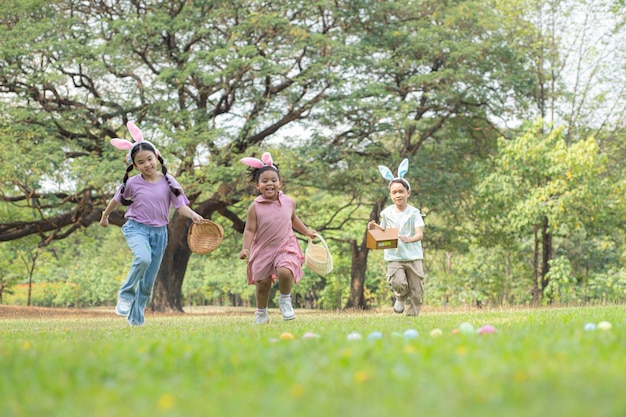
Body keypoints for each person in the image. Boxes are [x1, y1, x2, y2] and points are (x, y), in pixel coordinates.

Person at [100, 122, 203, 326]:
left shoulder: (169, 181)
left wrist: (193, 215)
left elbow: (180, 206)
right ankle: (125, 295)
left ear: (156, 157)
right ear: (135, 165)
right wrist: (105, 215)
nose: (147, 164)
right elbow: (116, 200)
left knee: (148, 283)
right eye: (141, 162)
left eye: (149, 159)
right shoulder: (132, 183)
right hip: (136, 228)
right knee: (143, 258)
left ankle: (136, 321)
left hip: (159, 234)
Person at [239, 152, 316, 324]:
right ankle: (261, 313)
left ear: (280, 183)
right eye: (264, 181)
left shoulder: (289, 202)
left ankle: (285, 300)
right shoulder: (255, 207)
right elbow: (249, 230)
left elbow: (293, 218)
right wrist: (246, 248)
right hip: (263, 249)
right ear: (258, 185)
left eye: (273, 180)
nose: (269, 184)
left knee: (285, 270)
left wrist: (307, 232)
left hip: (285, 245)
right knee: (263, 284)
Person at [369, 158, 425, 317]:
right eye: (394, 192)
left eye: (401, 191)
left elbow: (419, 233)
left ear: (408, 193)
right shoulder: (386, 213)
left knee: (417, 291)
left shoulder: (414, 213)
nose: (398, 195)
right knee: (397, 281)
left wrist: (411, 239)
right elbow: (384, 230)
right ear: (390, 195)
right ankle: (400, 297)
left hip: (413, 256)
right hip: (394, 255)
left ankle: (412, 317)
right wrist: (374, 228)